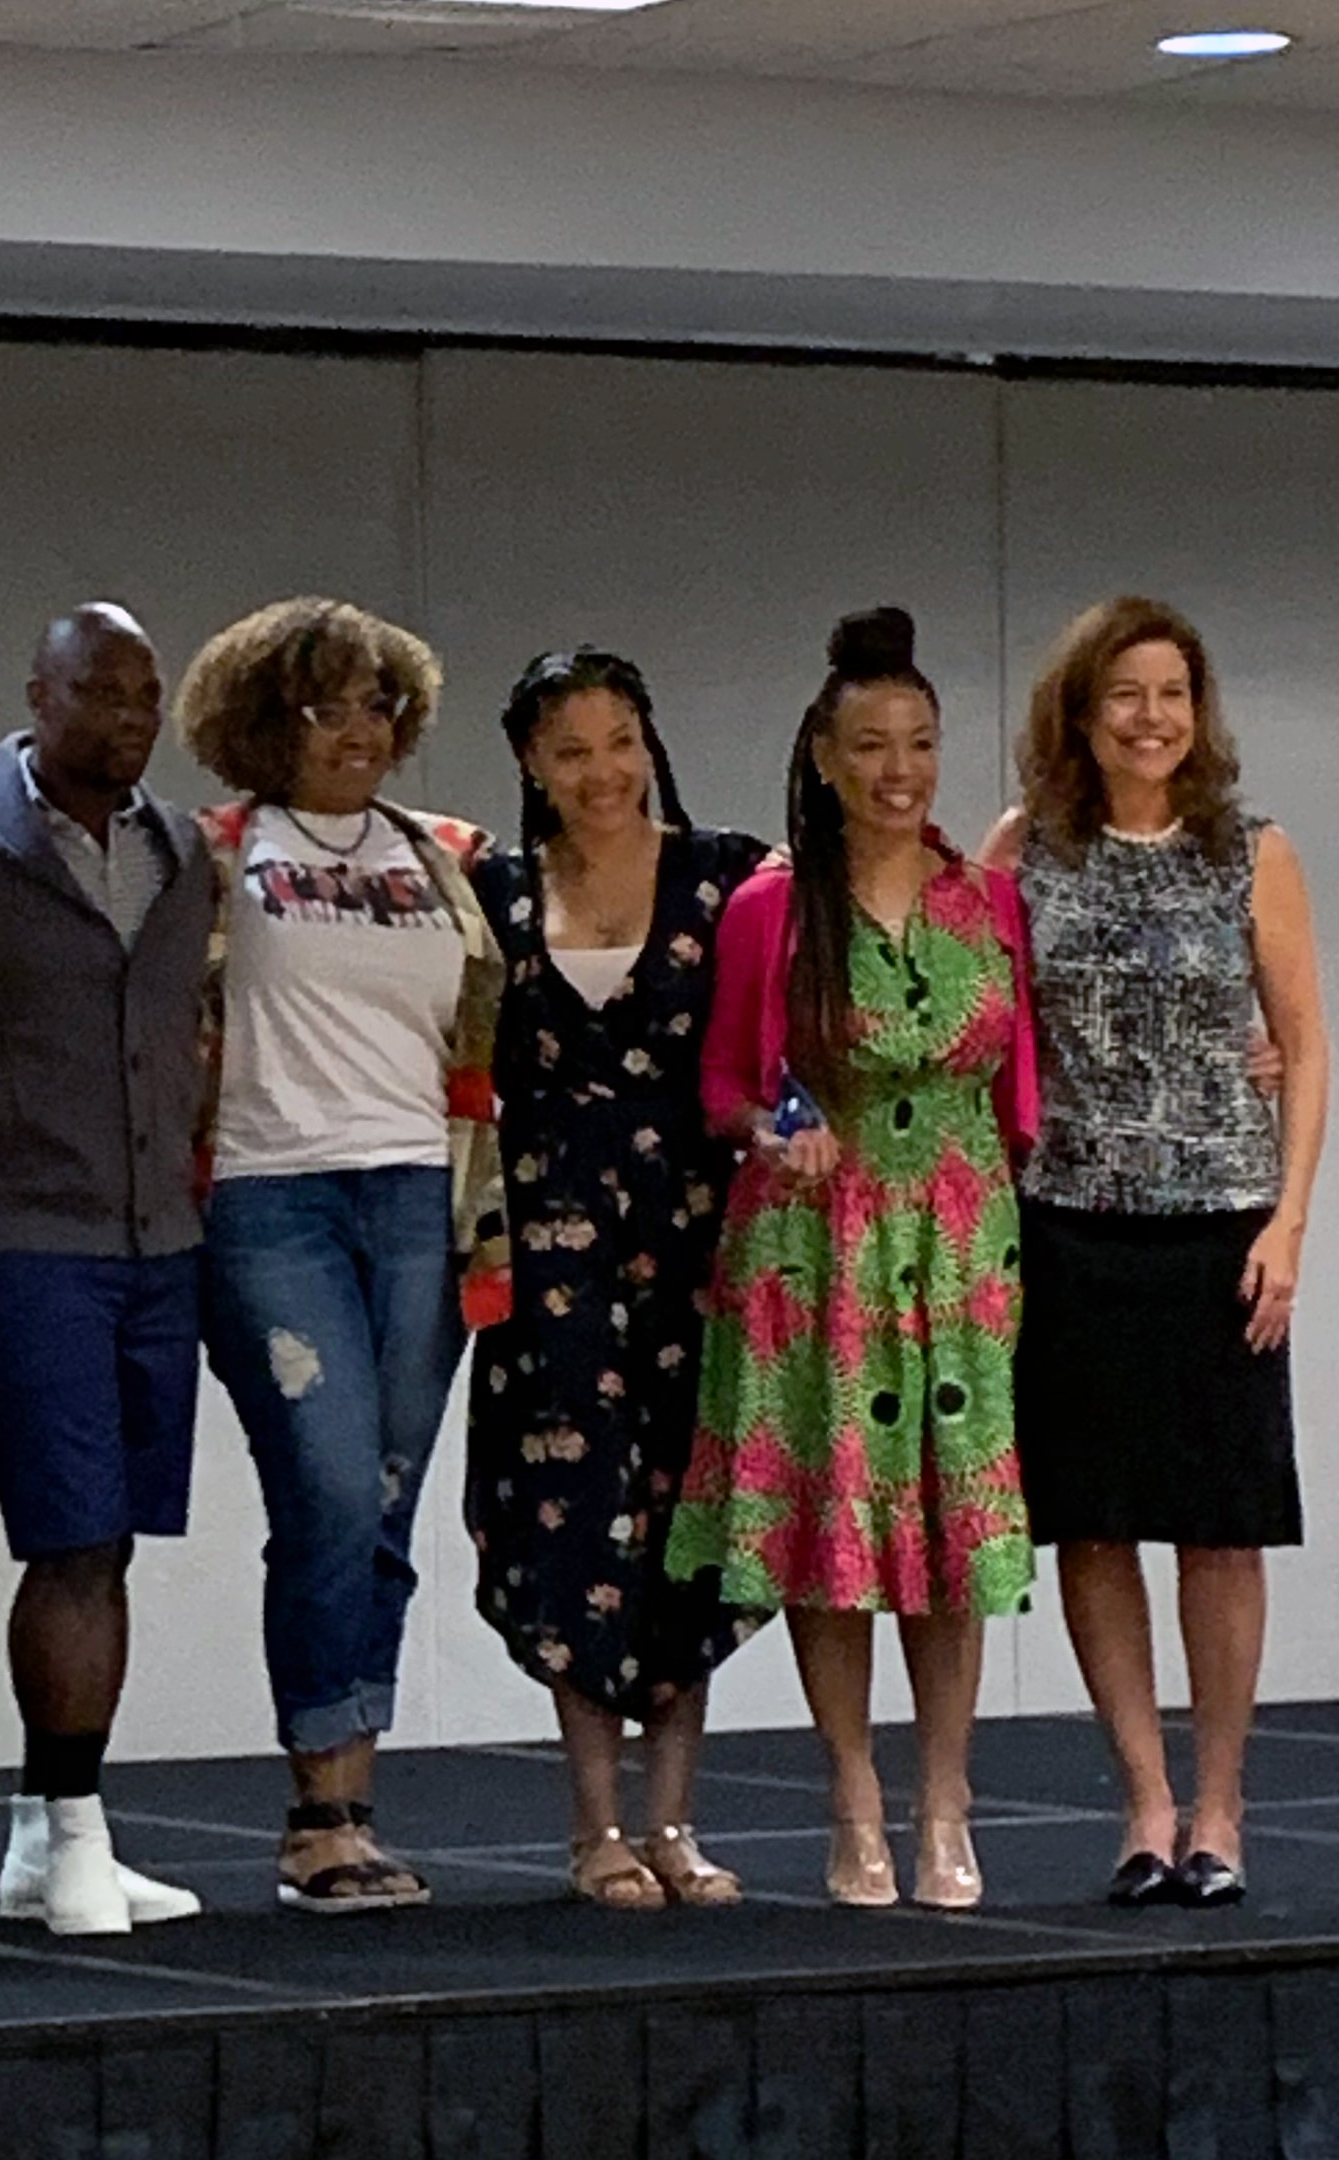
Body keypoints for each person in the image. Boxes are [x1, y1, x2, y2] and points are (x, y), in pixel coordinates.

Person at [666, 606, 1037, 1912]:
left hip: (954, 1246)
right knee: (834, 1537)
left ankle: (947, 1799)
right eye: (871, 744)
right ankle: (854, 1797)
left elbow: (1020, 1092)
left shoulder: (986, 900)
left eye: (922, 742)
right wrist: (776, 1129)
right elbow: (722, 1084)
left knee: (944, 1533)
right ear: (825, 756)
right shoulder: (773, 903)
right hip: (813, 1246)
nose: (900, 768)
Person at [0, 602, 213, 1935]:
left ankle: (48, 1830)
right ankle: (73, 1830)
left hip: (156, 1240)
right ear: (37, 693)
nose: (130, 718)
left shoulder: (182, 849)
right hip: (22, 1235)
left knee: (112, 1541)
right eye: (103, 693)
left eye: (147, 696)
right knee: (69, 1538)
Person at [986, 596, 1327, 1910]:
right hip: (1070, 1224)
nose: (1151, 718)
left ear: (1201, 710)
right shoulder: (1029, 848)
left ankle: (1224, 1806)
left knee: (1222, 1532)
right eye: (1124, 694)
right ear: (1081, 712)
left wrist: (1290, 1220)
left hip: (1221, 1229)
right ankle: (1145, 1800)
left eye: (1172, 693)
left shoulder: (1253, 849)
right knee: (1096, 1524)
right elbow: (982, 1024)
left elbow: (1304, 1041)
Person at [178, 596, 506, 1914]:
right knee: (321, 1487)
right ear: (265, 725)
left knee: (383, 1492)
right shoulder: (216, 853)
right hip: (270, 1200)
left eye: (378, 704)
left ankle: (352, 1802)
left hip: (424, 1197)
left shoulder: (446, 856)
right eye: (326, 708)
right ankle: (318, 1800)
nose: (358, 731)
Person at [464, 649, 770, 1910]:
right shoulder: (488, 894)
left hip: (698, 1246)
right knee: (569, 1518)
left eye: (621, 739)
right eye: (572, 747)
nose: (603, 770)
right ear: (531, 763)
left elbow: (788, 1039)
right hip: (547, 1261)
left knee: (687, 1520)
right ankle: (595, 1825)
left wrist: (795, 1134)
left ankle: (676, 1820)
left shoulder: (736, 878)